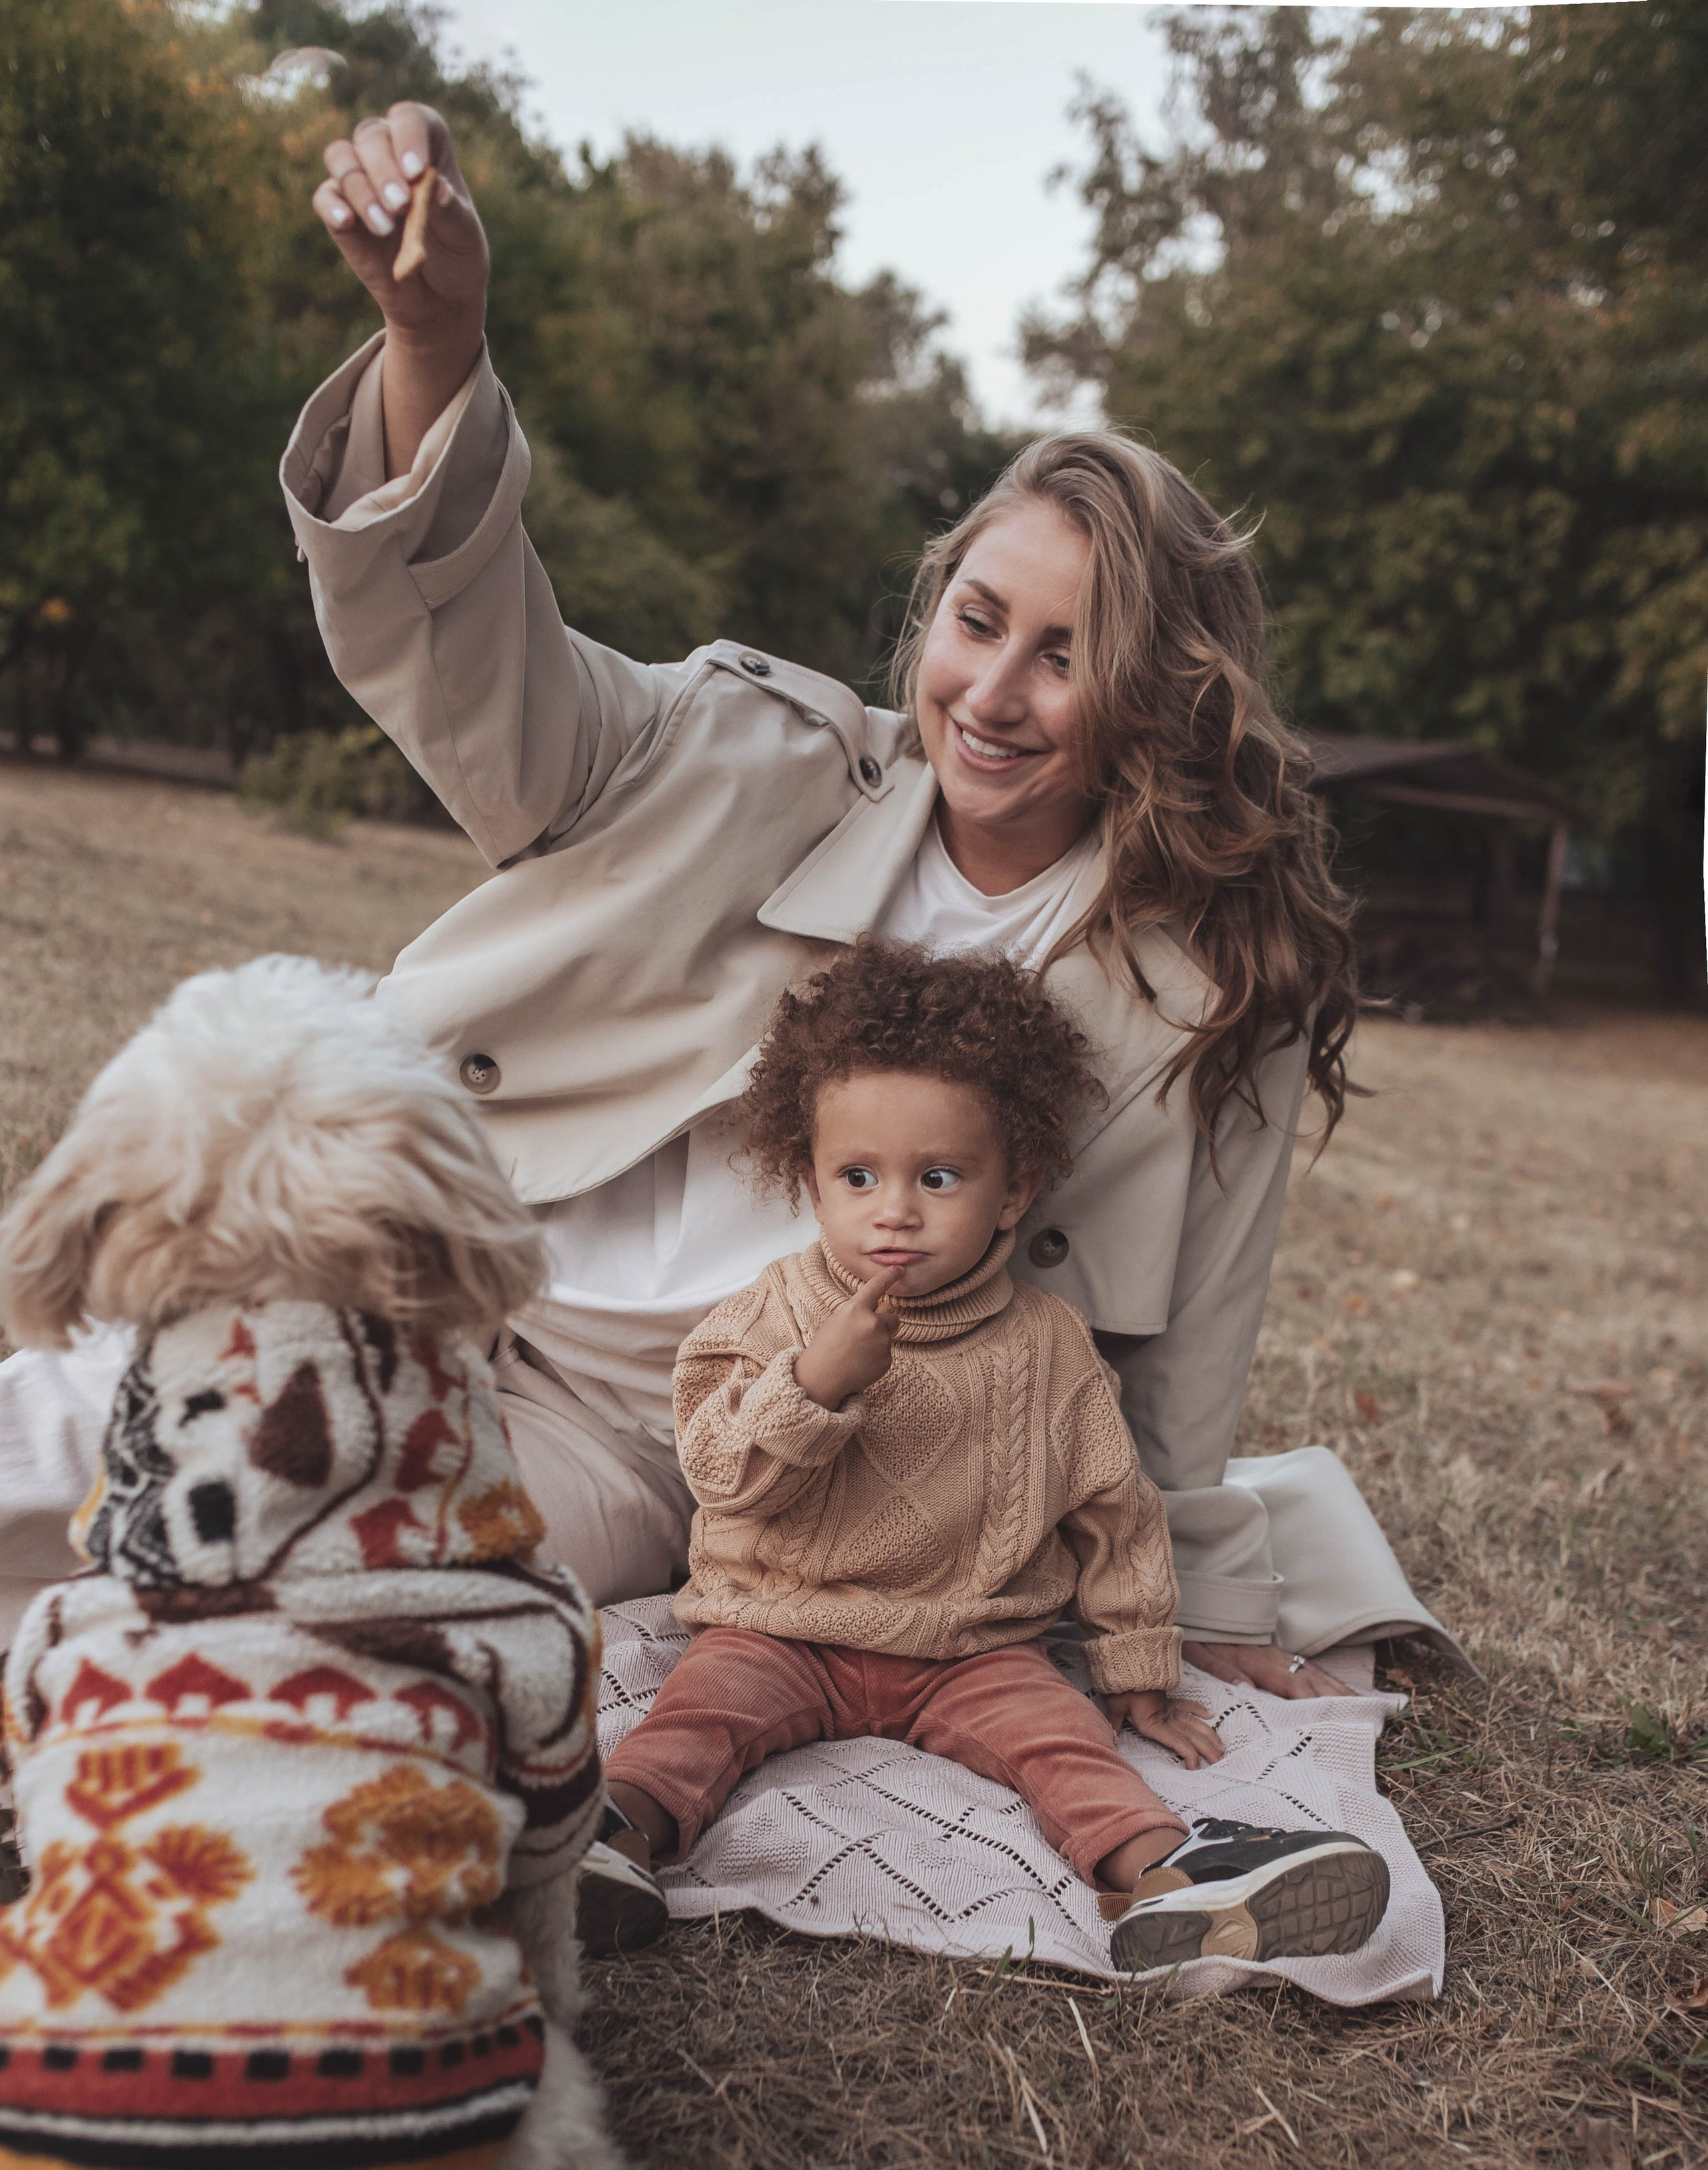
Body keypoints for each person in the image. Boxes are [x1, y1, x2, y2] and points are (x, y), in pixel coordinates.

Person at [0, 99, 1462, 1702]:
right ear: (937, 604)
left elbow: (1189, 1348)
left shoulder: (1203, 988)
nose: (995, 692)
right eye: (981, 619)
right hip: (424, 1255)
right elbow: (476, 658)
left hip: (655, 1433)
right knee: (81, 1441)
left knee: (336, 1605)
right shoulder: (740, 752)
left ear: (1152, 696)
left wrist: (1201, 1614)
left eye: (1071, 656)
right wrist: (434, 340)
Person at [587, 941, 1390, 1974]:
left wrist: (1137, 1665)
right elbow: (718, 1474)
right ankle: (610, 1842)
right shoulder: (773, 1312)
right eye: (858, 1176)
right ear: (810, 1180)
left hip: (973, 1646)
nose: (896, 1210)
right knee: (694, 1720)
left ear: (1015, 1192)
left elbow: (1117, 1512)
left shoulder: (1048, 1345)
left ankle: (1176, 1872)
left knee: (1065, 1745)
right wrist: (813, 1383)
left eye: (940, 1177)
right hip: (781, 1620)